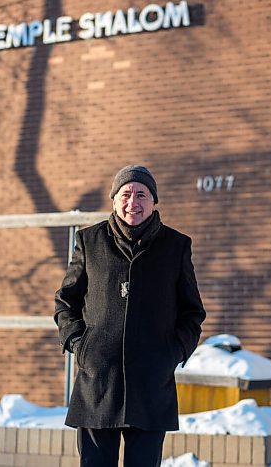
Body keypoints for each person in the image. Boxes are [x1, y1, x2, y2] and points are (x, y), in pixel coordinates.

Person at [54, 165, 206, 467]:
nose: (132, 202)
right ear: (114, 199)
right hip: (97, 383)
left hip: (152, 384)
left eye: (141, 195)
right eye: (125, 194)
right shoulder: (89, 241)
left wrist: (173, 352)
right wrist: (79, 345)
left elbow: (192, 312)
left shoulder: (176, 246)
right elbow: (65, 301)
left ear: (153, 202)